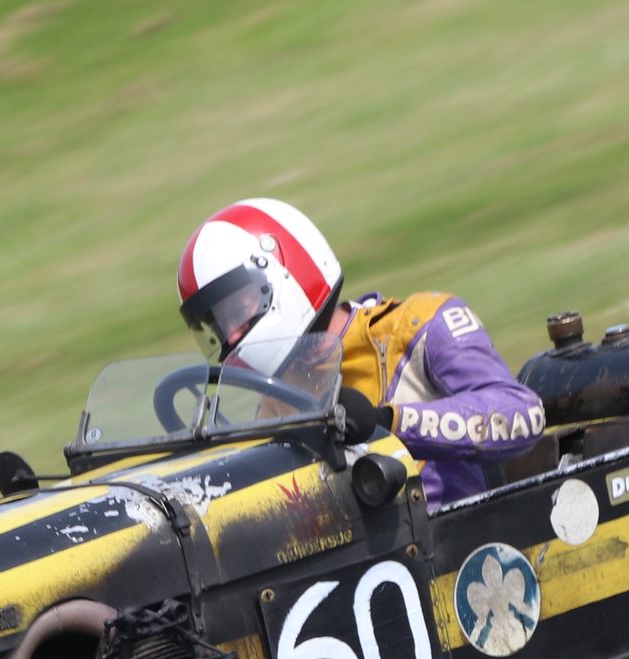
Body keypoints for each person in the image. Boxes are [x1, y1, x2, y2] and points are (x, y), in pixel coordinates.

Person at [177, 197, 544, 509]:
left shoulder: (420, 325)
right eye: (219, 327)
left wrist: (388, 422)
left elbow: (524, 414)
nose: (232, 335)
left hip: (464, 555)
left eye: (236, 312)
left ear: (282, 277)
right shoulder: (273, 404)